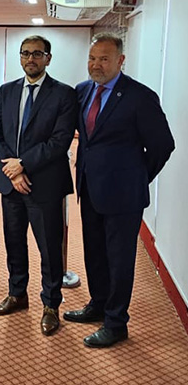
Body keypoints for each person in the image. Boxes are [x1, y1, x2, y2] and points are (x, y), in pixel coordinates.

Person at [63, 33, 174, 348]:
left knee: (119, 260)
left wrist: (137, 178)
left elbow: (162, 146)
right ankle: (98, 305)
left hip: (124, 196)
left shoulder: (140, 97)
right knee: (94, 253)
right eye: (92, 58)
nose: (96, 65)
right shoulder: (83, 91)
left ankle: (116, 322)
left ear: (120, 60)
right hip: (89, 187)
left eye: (104, 59)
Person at [0, 35, 77, 336]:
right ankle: (17, 294)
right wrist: (13, 171)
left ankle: (51, 305)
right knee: (14, 243)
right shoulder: (6, 91)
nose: (30, 59)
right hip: (11, 185)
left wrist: (22, 164)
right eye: (25, 53)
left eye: (37, 54)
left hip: (45, 186)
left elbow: (60, 141)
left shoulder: (64, 94)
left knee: (49, 249)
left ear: (48, 58)